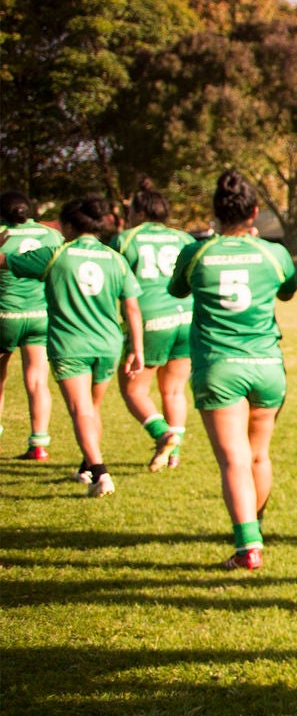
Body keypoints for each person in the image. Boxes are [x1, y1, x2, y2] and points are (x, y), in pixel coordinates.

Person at [169, 171, 297, 566]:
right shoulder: (273, 254)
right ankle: (253, 528)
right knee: (258, 455)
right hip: (266, 365)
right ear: (255, 211)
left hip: (219, 366)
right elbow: (289, 290)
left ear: (215, 212)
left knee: (234, 461)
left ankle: (248, 548)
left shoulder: (197, 253)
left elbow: (177, 290)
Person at [2, 195, 145, 496]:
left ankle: (100, 472)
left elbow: (4, 262)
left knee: (80, 409)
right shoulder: (114, 258)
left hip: (71, 344)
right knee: (92, 408)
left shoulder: (56, 254)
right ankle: (86, 468)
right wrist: (137, 348)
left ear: (67, 224)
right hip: (108, 344)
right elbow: (132, 307)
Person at [113, 179, 197, 472]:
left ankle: (163, 433)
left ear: (138, 211)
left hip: (149, 319)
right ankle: (174, 455)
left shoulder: (125, 238)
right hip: (187, 315)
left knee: (134, 390)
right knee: (173, 390)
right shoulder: (185, 238)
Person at [0, 190, 60, 461]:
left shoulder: (2, 233)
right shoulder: (50, 234)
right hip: (40, 314)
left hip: (5, 315)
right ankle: (39, 443)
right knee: (37, 380)